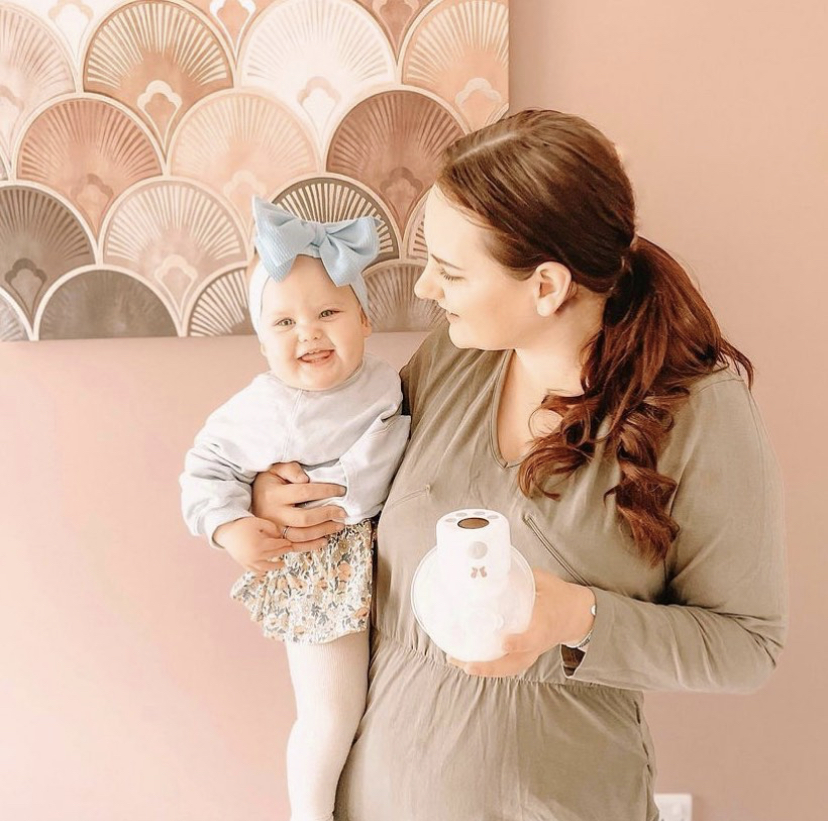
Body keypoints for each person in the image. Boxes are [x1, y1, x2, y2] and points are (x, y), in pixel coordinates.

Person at [247, 110, 788, 820]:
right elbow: (348, 464)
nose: (424, 291)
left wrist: (577, 616)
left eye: (449, 271)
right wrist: (270, 492)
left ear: (545, 286)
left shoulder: (699, 413)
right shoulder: (453, 359)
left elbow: (748, 646)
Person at [179, 198, 410, 821]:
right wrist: (229, 527)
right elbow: (204, 468)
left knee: (382, 715)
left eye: (328, 312)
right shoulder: (269, 406)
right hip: (320, 570)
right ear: (261, 342)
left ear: (365, 318)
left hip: (386, 565)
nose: (308, 332)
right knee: (331, 716)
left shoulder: (390, 382)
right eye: (282, 324)